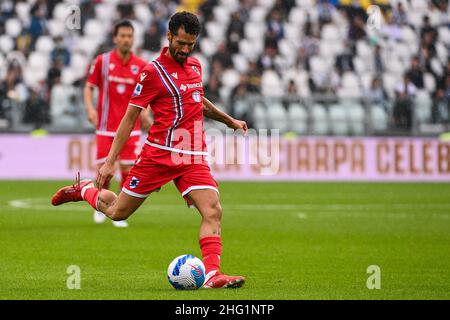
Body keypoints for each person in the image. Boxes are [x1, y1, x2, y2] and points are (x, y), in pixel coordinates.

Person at [52, 11, 247, 289]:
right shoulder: (152, 72)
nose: (185, 49)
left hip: (191, 154)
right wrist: (110, 162)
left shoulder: (195, 66)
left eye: (190, 44)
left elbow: (198, 101)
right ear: (169, 36)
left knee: (213, 210)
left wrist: (229, 121)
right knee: (118, 211)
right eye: (180, 42)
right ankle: (84, 189)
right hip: (158, 155)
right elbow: (129, 118)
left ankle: (212, 274)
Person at [84, 20, 151, 228]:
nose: (126, 39)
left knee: (128, 170)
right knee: (104, 171)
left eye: (129, 36)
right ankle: (100, 207)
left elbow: (147, 95)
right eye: (122, 36)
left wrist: (146, 114)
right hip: (106, 127)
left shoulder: (141, 66)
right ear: (115, 38)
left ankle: (119, 209)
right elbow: (89, 87)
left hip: (131, 129)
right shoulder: (102, 62)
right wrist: (90, 109)